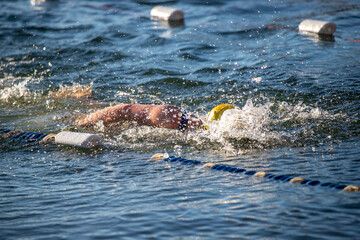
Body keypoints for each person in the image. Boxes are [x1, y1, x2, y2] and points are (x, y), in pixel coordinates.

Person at [75, 104, 204, 131]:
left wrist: (81, 123)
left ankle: (81, 122)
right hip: (180, 119)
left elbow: (124, 109)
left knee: (123, 110)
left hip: (167, 115)